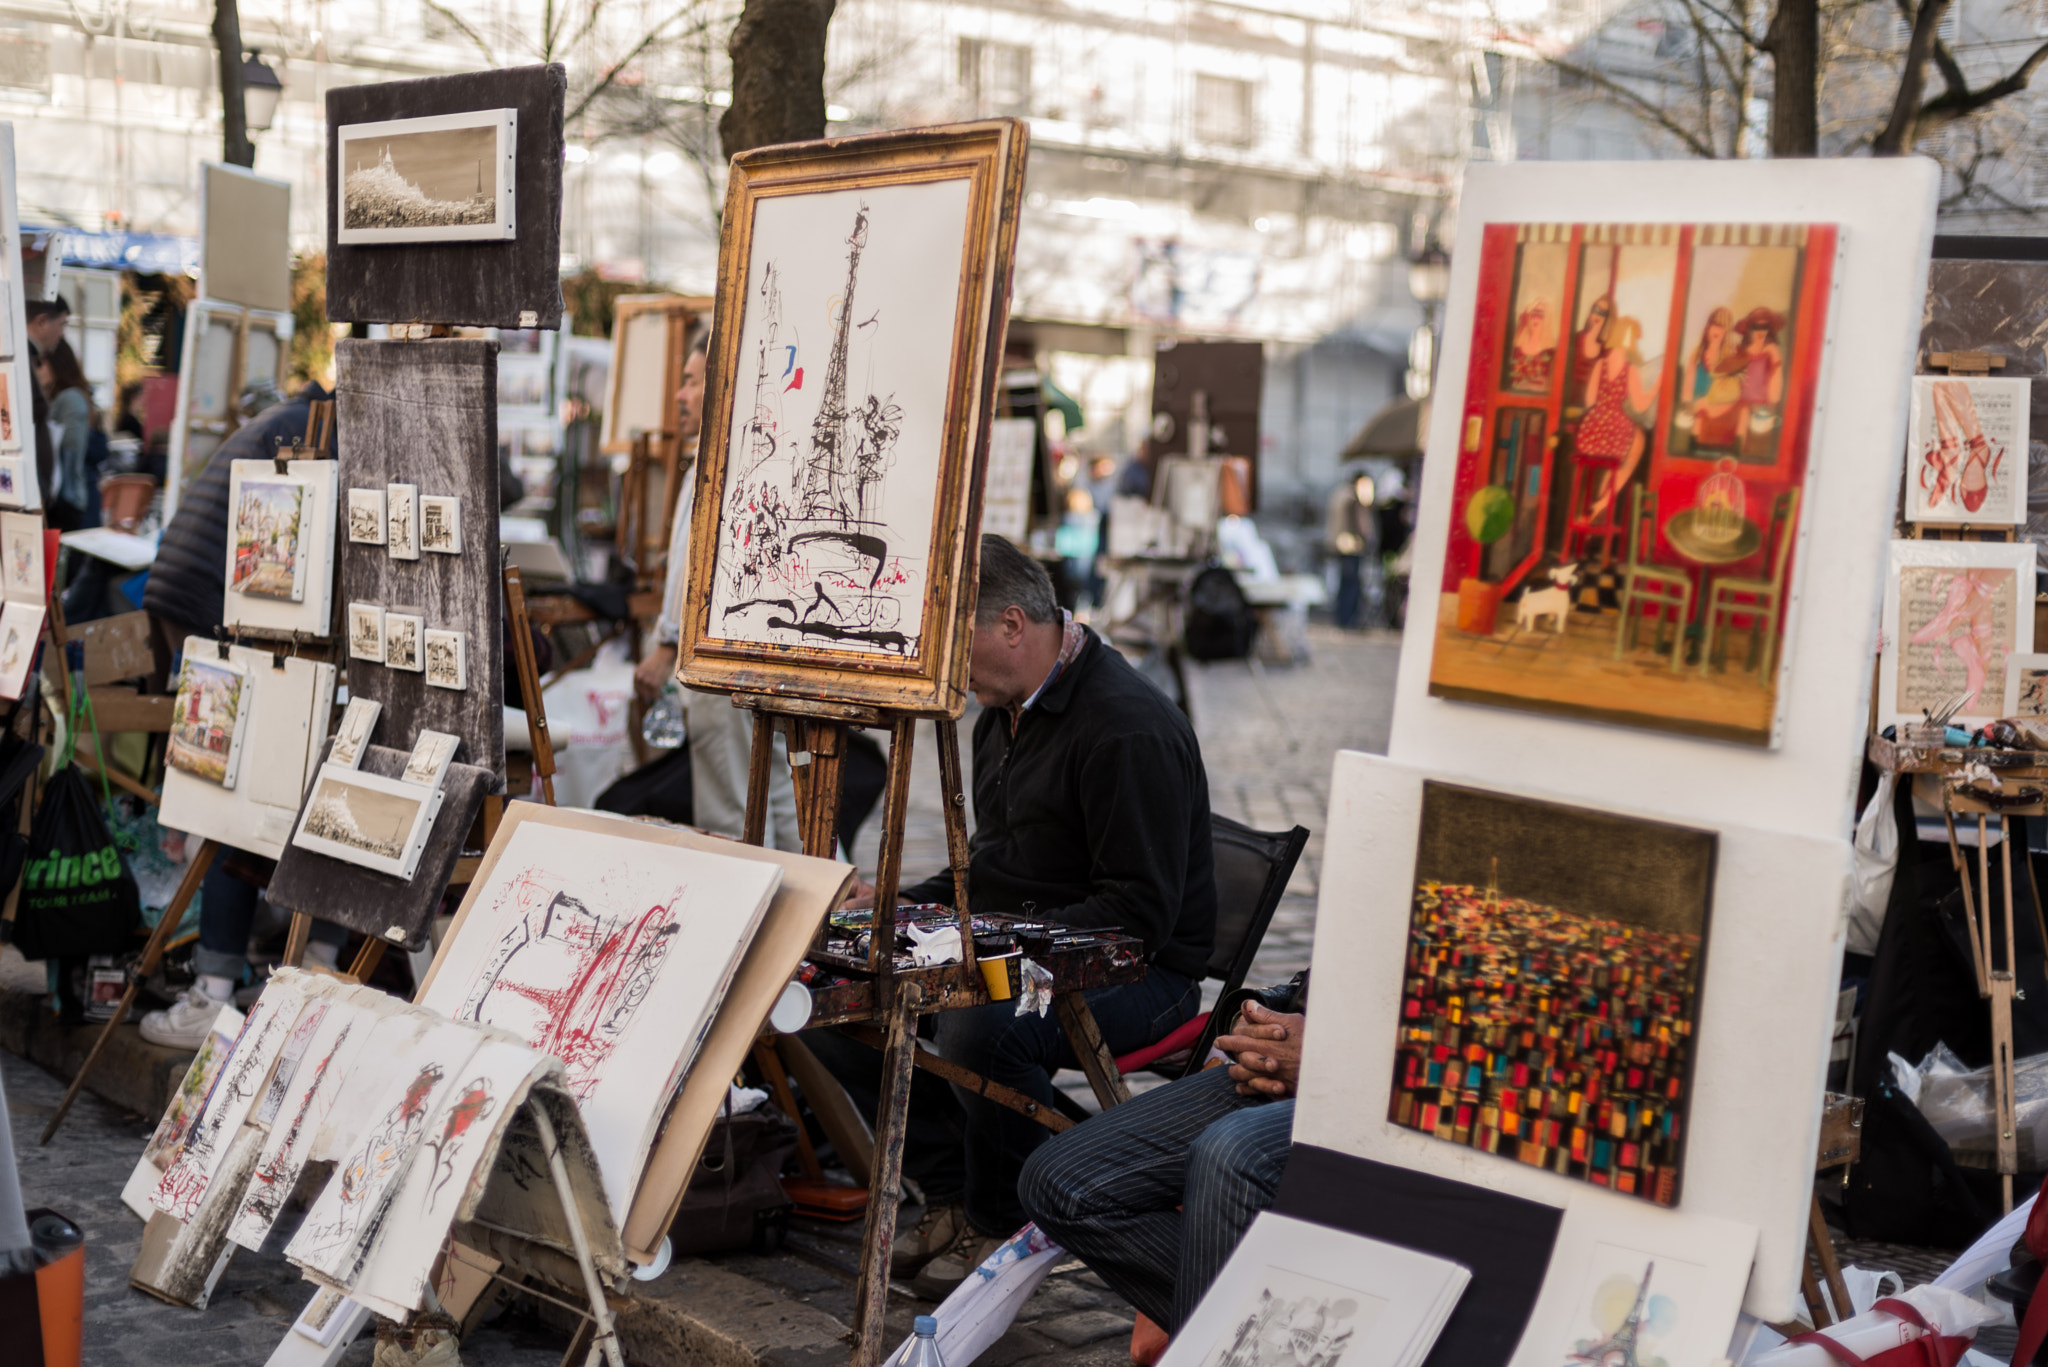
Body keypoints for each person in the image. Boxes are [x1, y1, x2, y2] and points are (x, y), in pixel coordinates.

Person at [813, 535, 1216, 1297]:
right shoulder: (1004, 707)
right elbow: (995, 870)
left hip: (1143, 967)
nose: (950, 670)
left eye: (956, 643)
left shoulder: (1127, 727)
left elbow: (1138, 917)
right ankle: (956, 1190)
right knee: (838, 984)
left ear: (1010, 625)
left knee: (977, 1019)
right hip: (1044, 934)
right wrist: (905, 904)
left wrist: (989, 946)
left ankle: (1002, 1221)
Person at [138, 381, 348, 1049]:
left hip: (187, 598)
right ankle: (225, 987)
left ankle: (238, 978)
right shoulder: (322, 430)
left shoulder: (289, 416)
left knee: (236, 792)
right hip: (224, 612)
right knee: (243, 797)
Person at [1019, 979, 1307, 1355]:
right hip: (1287, 1063)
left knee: (1229, 1153)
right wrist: (1253, 1018)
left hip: (1381, 1085)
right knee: (1056, 1181)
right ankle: (1275, 1333)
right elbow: (1314, 982)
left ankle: (1225, 1347)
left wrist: (1337, 1056)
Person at [627, 329, 803, 848]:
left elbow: (696, 566)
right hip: (749, 651)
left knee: (735, 809)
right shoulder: (751, 451)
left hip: (716, 656)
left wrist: (666, 645)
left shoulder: (727, 461)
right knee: (776, 797)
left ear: (720, 385)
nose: (680, 396)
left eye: (689, 382)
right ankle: (811, 915)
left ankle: (770, 920)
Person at [35, 338, 96, 529]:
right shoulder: (57, 396)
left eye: (40, 362)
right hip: (61, 496)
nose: (36, 369)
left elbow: (72, 448)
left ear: (56, 363)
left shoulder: (70, 398)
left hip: (65, 499)